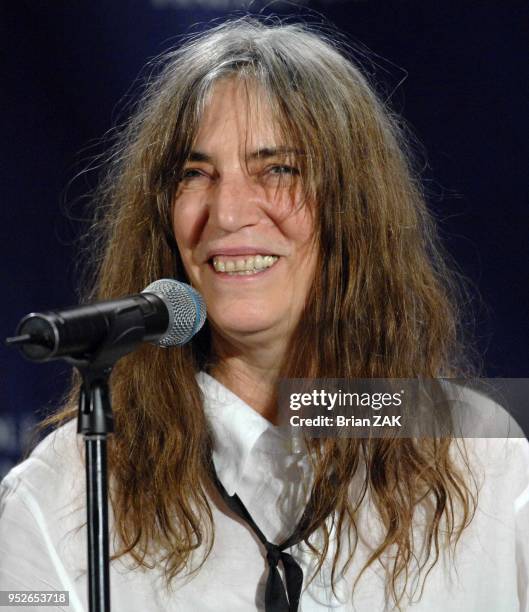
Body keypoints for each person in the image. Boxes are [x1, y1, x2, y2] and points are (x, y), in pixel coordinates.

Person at [1, 15, 528, 612]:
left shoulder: (485, 456)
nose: (228, 214)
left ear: (352, 209)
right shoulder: (67, 494)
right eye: (196, 174)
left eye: (277, 169)